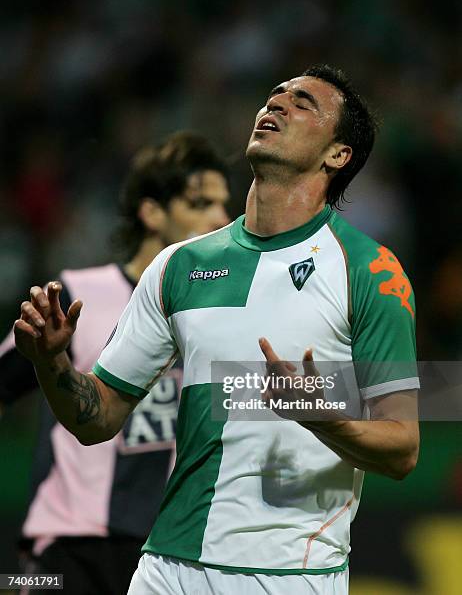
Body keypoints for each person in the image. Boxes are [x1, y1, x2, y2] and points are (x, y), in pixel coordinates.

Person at [14, 65, 419, 595]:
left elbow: (403, 449)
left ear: (337, 155)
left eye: (303, 103)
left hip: (293, 574)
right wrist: (52, 363)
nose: (277, 105)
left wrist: (324, 417)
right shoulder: (178, 266)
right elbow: (98, 418)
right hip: (166, 566)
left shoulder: (369, 271)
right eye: (275, 95)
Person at [0, 131, 230, 594]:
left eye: (224, 205)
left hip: (167, 556)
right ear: (151, 213)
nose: (221, 220)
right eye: (200, 204)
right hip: (66, 549)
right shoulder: (76, 295)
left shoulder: (222, 317)